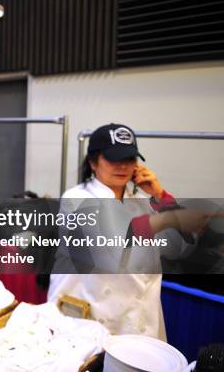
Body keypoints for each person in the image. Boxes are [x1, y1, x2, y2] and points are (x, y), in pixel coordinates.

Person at [48, 123, 209, 340]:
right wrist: (169, 218)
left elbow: (184, 240)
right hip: (89, 318)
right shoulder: (75, 199)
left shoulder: (143, 202)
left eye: (129, 159)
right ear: (93, 162)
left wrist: (161, 195)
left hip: (140, 322)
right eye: (113, 159)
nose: (122, 166)